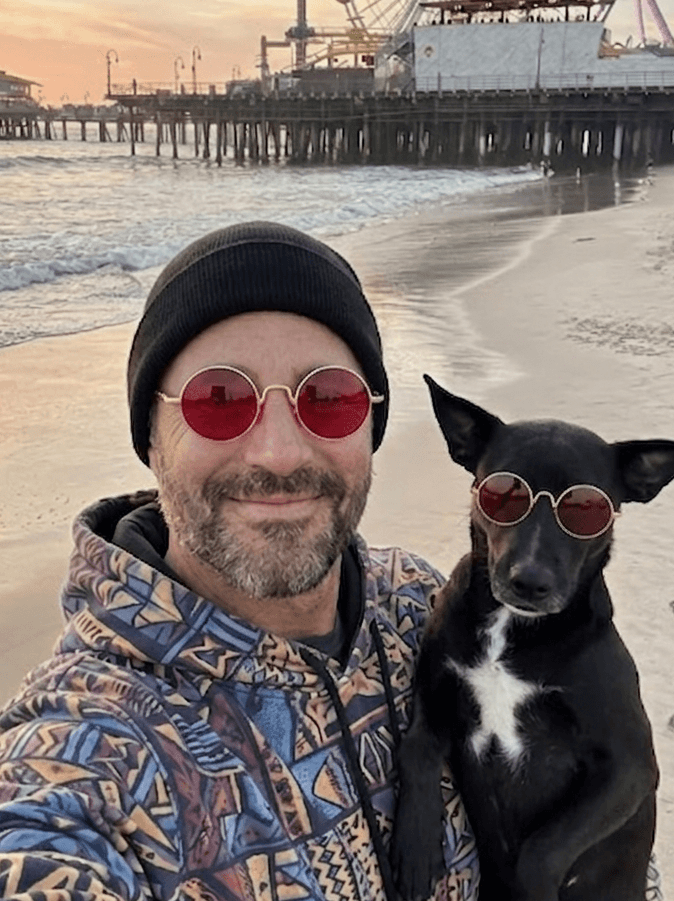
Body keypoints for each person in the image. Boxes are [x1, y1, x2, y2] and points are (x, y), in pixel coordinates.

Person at [0, 222, 479, 901]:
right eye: (218, 402)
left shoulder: (422, 607)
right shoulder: (93, 736)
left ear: (370, 425)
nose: (279, 454)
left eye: (328, 399)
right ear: (151, 439)